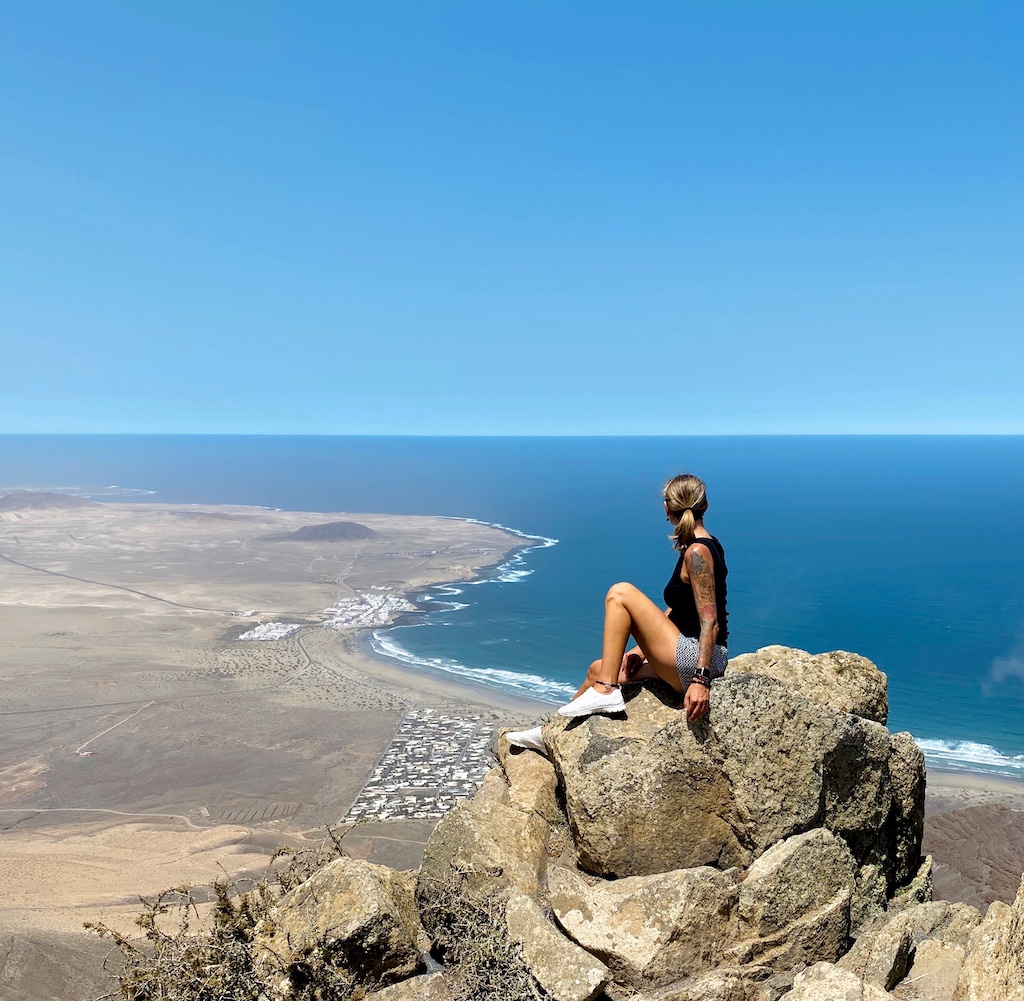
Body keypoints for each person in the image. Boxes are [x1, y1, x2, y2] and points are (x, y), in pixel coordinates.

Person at [508, 473, 728, 752]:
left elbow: (710, 622)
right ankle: (551, 733)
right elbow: (682, 609)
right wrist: (639, 651)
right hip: (684, 654)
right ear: (705, 506)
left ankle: (606, 690)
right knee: (597, 669)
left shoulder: (698, 551)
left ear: (667, 508)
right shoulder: (703, 545)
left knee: (620, 593)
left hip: (696, 660)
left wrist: (700, 680)